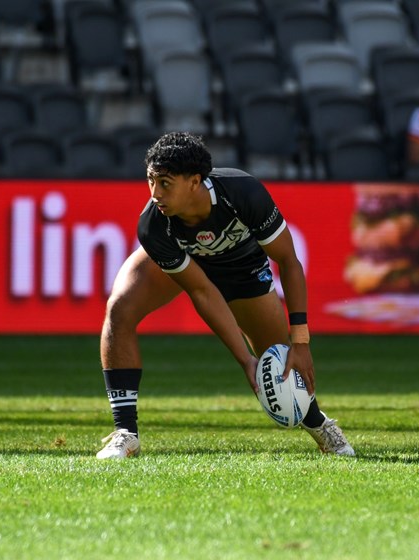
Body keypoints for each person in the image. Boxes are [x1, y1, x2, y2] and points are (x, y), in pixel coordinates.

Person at [96, 132, 354, 460]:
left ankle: (319, 424)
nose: (155, 193)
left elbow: (288, 260)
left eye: (165, 183)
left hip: (243, 269)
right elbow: (201, 289)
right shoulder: (153, 225)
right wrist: (244, 361)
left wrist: (300, 341)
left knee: (281, 360)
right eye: (151, 181)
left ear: (195, 182)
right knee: (119, 308)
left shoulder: (242, 193)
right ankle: (125, 433)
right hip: (189, 263)